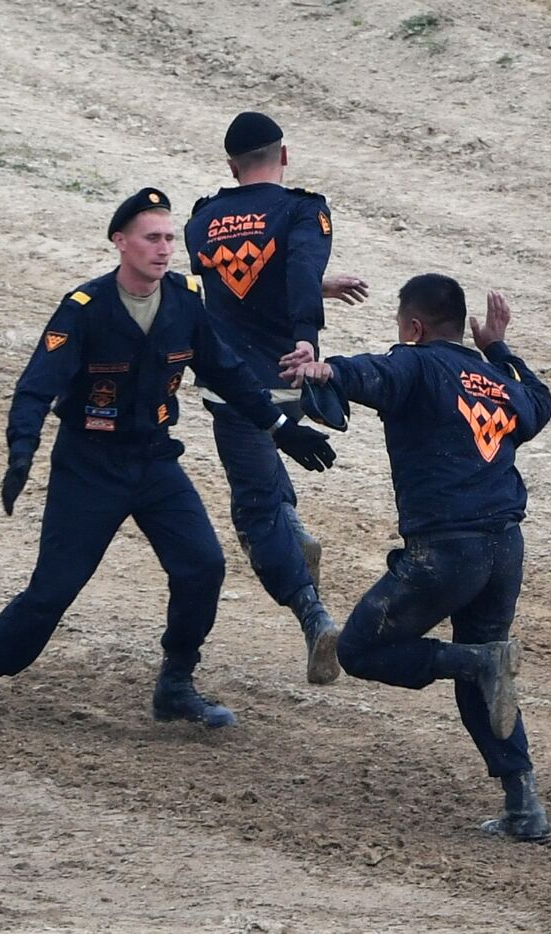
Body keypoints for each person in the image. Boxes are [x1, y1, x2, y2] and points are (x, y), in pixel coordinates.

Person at [0, 188, 337, 732]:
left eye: (171, 238)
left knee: (203, 567)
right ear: (120, 242)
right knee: (55, 587)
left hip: (155, 461)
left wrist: (283, 429)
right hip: (89, 465)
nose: (165, 249)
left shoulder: (182, 302)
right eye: (153, 238)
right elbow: (37, 387)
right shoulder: (85, 308)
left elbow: (227, 374)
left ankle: (176, 685)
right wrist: (21, 451)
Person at [279, 276, 551, 841]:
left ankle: (478, 661)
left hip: (448, 552)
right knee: (485, 669)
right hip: (505, 549)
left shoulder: (417, 364)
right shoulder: (498, 380)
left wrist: (324, 370)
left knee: (359, 648)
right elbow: (540, 404)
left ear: (413, 327)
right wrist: (497, 347)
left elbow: (376, 372)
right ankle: (523, 805)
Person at [185, 111, 368, 685]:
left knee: (252, 505)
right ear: (282, 156)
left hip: (231, 382)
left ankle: (314, 618)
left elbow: (223, 280)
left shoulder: (201, 219)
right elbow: (295, 268)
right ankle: (296, 531)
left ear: (231, 166)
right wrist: (308, 340)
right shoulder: (301, 209)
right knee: (267, 482)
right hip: (291, 375)